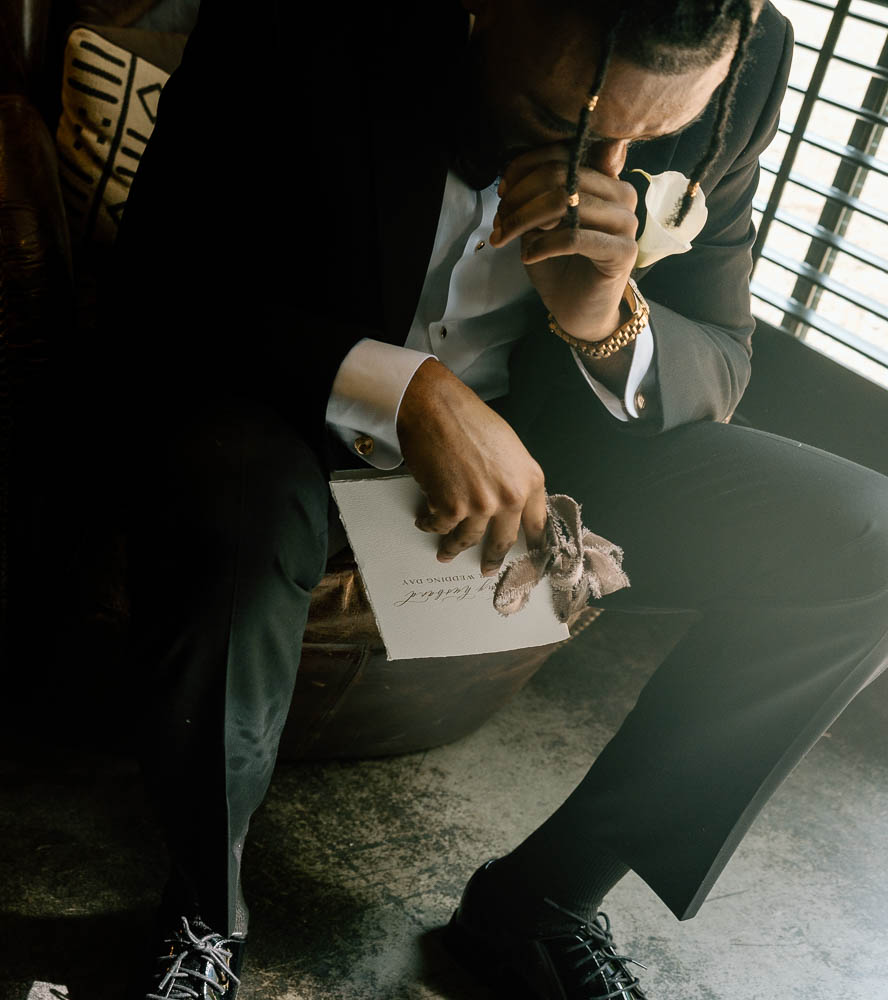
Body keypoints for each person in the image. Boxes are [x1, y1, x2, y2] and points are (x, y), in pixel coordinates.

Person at [107, 0, 888, 997]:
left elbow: (723, 362)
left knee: (869, 542)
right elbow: (160, 286)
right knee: (232, 508)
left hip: (559, 440)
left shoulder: (752, 53)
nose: (593, 163)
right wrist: (404, 389)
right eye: (552, 113)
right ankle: (203, 911)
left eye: (643, 141)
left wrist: (605, 315)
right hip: (288, 414)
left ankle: (540, 902)